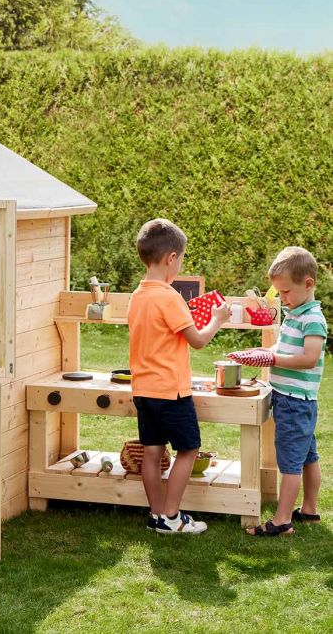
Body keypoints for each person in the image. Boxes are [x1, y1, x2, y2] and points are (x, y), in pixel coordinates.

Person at [128, 219, 230, 534]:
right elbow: (198, 340)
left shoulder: (138, 295)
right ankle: (172, 516)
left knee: (152, 451)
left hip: (143, 390)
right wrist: (217, 319)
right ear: (172, 258)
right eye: (181, 258)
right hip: (171, 391)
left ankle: (157, 514)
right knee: (189, 449)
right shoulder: (169, 296)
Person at [229, 246, 326, 536]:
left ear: (308, 284)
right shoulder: (295, 313)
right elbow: (284, 349)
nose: (282, 299)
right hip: (291, 400)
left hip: (296, 403)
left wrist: (272, 359)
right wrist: (263, 352)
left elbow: (309, 358)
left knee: (291, 464)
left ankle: (282, 520)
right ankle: (309, 509)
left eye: (285, 292)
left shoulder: (313, 319)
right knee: (308, 457)